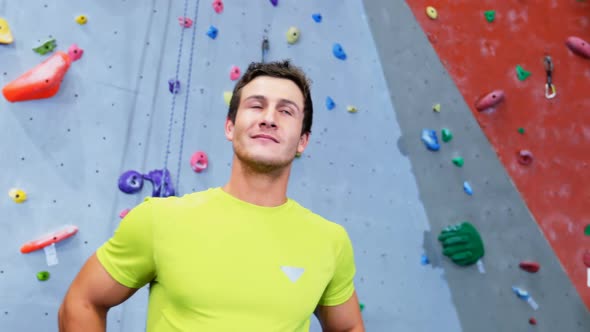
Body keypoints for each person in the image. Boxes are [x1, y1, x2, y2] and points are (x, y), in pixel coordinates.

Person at [58, 60, 365, 332]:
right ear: (230, 127)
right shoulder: (161, 219)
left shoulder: (330, 242)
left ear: (303, 141)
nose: (269, 118)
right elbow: (82, 302)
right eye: (256, 105)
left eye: (286, 111)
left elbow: (348, 326)